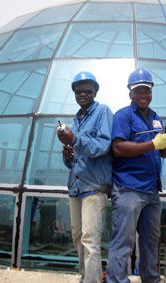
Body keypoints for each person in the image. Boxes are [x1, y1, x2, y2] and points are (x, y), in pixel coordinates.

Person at [106, 68, 166, 283]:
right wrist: (153, 143)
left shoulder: (155, 118)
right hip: (128, 189)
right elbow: (118, 148)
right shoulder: (123, 116)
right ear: (130, 93)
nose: (143, 95)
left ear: (152, 91)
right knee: (123, 241)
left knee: (151, 241)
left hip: (151, 191)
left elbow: (162, 152)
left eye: (147, 90)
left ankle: (151, 279)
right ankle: (116, 280)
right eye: (138, 91)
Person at [57, 71, 113, 283]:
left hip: (94, 187)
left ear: (95, 92)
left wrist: (75, 139)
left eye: (87, 91)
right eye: (78, 91)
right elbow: (74, 162)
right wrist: (67, 153)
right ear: (74, 94)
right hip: (76, 186)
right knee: (77, 236)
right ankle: (85, 276)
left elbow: (104, 145)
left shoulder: (103, 112)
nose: (82, 94)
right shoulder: (76, 119)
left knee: (90, 239)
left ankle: (92, 280)